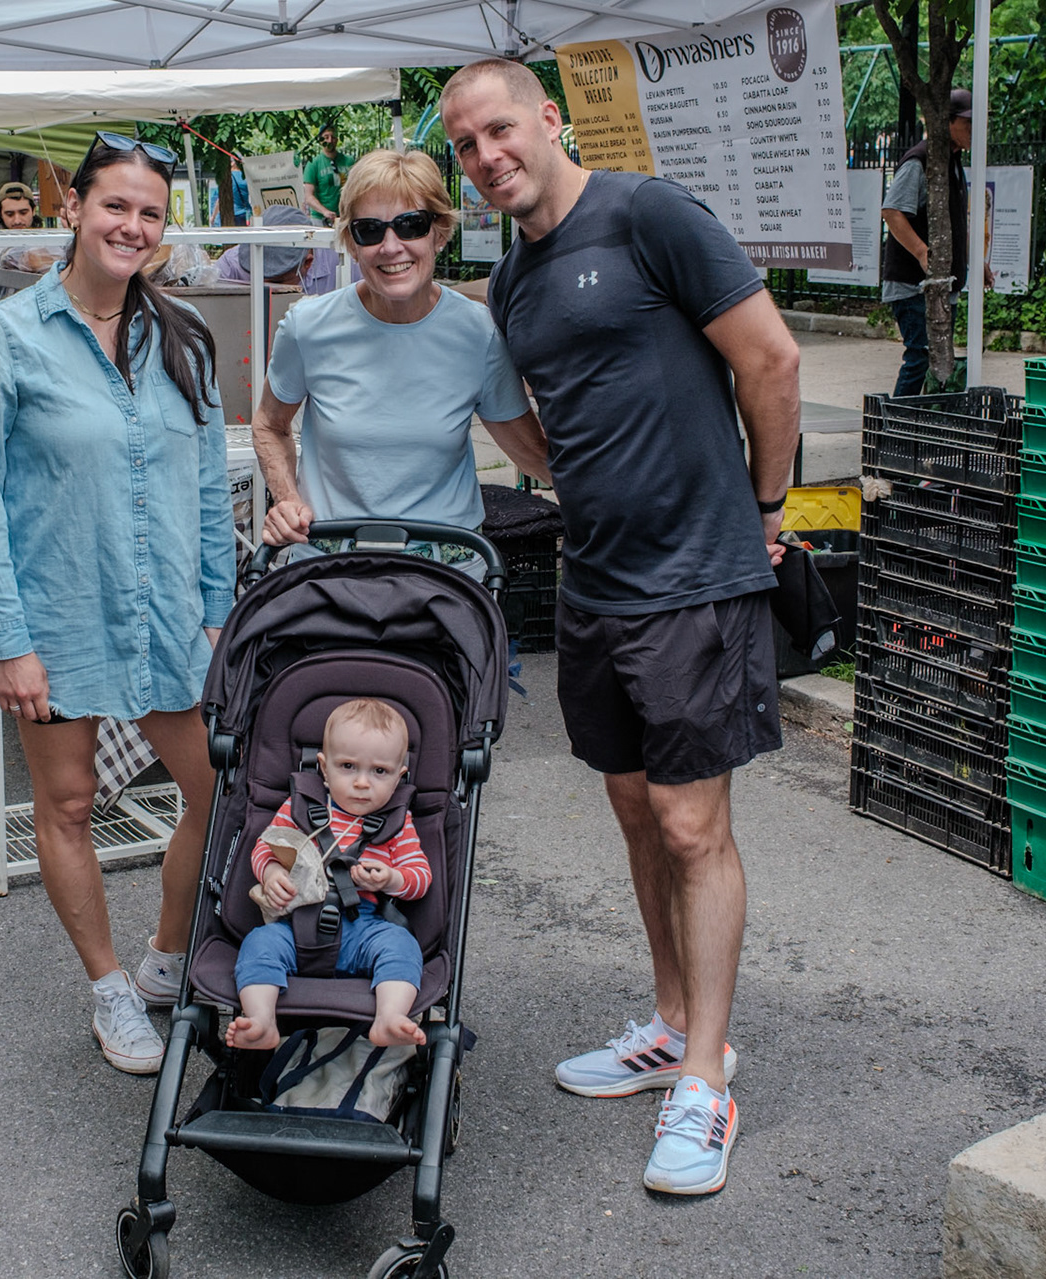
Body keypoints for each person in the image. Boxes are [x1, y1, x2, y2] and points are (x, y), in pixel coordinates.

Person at [441, 58, 801, 1197]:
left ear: (549, 119)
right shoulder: (512, 280)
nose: (488, 156)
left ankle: (707, 1077)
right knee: (639, 812)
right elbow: (538, 425)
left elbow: (772, 358)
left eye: (501, 129)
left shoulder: (648, 213)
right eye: (466, 145)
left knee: (694, 827)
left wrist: (767, 508)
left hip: (694, 576)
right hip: (596, 580)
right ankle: (672, 1022)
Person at [0, 130, 235, 1075]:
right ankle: (110, 989)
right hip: (60, 610)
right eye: (115, 204)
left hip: (168, 613)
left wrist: (217, 608)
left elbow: (207, 487)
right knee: (68, 802)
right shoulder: (5, 339)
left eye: (150, 212)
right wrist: (8, 641)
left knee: (221, 790)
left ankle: (164, 958)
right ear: (72, 208)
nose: (132, 226)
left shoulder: (182, 335)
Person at [252, 148, 548, 569]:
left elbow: (532, 452)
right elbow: (269, 425)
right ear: (352, 244)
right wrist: (287, 500)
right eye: (370, 230)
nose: (391, 247)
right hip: (330, 567)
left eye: (411, 225)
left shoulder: (477, 333)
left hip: (445, 572)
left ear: (439, 233)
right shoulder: (308, 328)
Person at [227, 698, 432, 1052]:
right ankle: (261, 1021)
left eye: (379, 772)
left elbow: (420, 876)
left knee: (401, 946)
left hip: (365, 928)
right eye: (348, 766)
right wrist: (272, 872)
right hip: (296, 927)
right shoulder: (301, 807)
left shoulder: (398, 823)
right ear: (324, 767)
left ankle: (390, 1017)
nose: (362, 783)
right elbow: (264, 847)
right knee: (259, 944)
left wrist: (391, 879)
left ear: (399, 777)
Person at [880, 89, 989, 397]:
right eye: (968, 122)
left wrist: (974, 260)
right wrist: (921, 252)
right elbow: (892, 211)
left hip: (943, 283)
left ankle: (922, 419)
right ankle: (898, 421)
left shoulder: (952, 162)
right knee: (921, 358)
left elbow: (953, 223)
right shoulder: (919, 160)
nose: (974, 130)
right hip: (914, 285)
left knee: (939, 362)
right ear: (946, 121)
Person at [212, 202, 338, 295]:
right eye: (256, 276)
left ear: (307, 263)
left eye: (276, 282)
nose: (268, 289)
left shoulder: (339, 262)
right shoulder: (230, 266)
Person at [301, 124, 352, 224]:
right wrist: (325, 211)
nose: (330, 140)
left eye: (333, 137)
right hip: (320, 218)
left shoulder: (348, 161)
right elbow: (309, 196)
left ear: (337, 139)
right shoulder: (313, 164)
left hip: (343, 217)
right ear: (320, 140)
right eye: (326, 137)